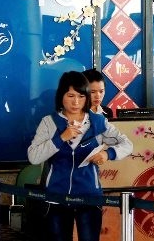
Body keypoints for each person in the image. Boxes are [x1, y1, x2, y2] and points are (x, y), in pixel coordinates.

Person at [27, 71, 133, 241]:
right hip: (57, 197)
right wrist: (61, 138)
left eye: (81, 96)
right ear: (61, 96)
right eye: (70, 95)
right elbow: (33, 156)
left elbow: (127, 144)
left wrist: (108, 153)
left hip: (89, 196)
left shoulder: (98, 122)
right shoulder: (49, 122)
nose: (76, 102)